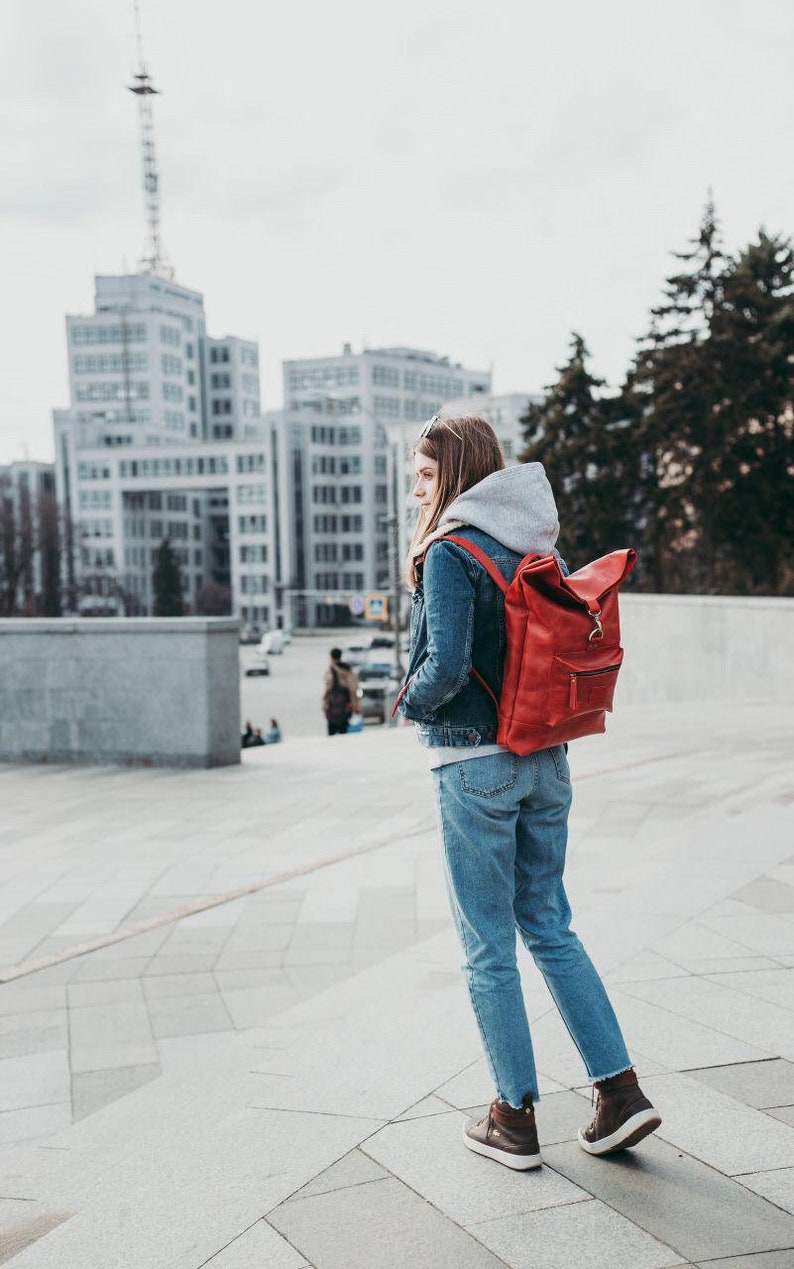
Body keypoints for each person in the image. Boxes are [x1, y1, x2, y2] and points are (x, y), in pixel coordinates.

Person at [396, 414, 661, 1171]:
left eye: (423, 474)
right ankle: (619, 1091)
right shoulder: (537, 542)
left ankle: (513, 1117)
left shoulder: (451, 550)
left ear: (454, 473)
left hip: (474, 763)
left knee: (487, 947)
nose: (415, 488)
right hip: (548, 759)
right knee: (549, 922)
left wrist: (407, 700)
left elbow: (445, 667)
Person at [322, 648, 359, 736]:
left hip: (333, 707)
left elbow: (328, 687)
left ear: (331, 657)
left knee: (332, 734)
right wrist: (356, 705)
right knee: (344, 733)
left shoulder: (331, 671)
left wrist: (324, 701)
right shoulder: (348, 670)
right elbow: (354, 688)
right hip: (346, 706)